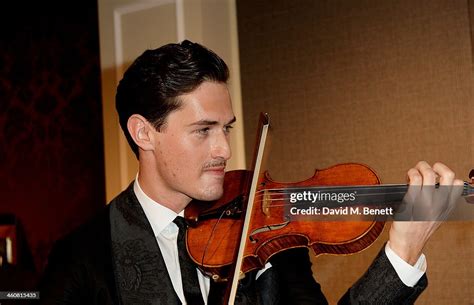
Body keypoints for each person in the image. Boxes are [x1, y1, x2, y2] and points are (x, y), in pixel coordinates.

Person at [38, 40, 463, 305]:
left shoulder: (266, 225)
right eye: (203, 131)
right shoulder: (82, 256)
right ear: (143, 132)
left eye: (226, 128)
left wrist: (402, 253)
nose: (224, 149)